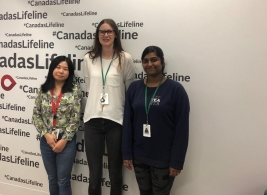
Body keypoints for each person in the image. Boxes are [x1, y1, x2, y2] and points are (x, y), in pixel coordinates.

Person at [122, 46, 190, 195]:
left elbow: (182, 129)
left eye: (154, 60)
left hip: (164, 159)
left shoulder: (176, 90)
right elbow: (128, 122)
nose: (149, 64)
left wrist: (176, 161)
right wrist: (127, 153)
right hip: (139, 156)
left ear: (162, 62)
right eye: (145, 61)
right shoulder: (134, 88)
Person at [83, 19, 135, 195]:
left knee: (115, 174)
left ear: (115, 34)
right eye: (102, 31)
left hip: (116, 120)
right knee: (94, 175)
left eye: (109, 31)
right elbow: (90, 88)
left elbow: (129, 90)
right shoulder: (88, 58)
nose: (105, 35)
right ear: (97, 35)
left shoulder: (124, 58)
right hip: (92, 121)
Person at [32, 56, 82, 195]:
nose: (61, 71)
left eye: (65, 69)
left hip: (66, 141)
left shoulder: (74, 90)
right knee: (52, 179)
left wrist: (64, 140)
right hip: (46, 139)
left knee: (63, 181)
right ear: (52, 69)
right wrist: (47, 135)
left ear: (69, 72)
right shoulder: (43, 90)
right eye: (58, 67)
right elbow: (36, 115)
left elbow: (75, 118)